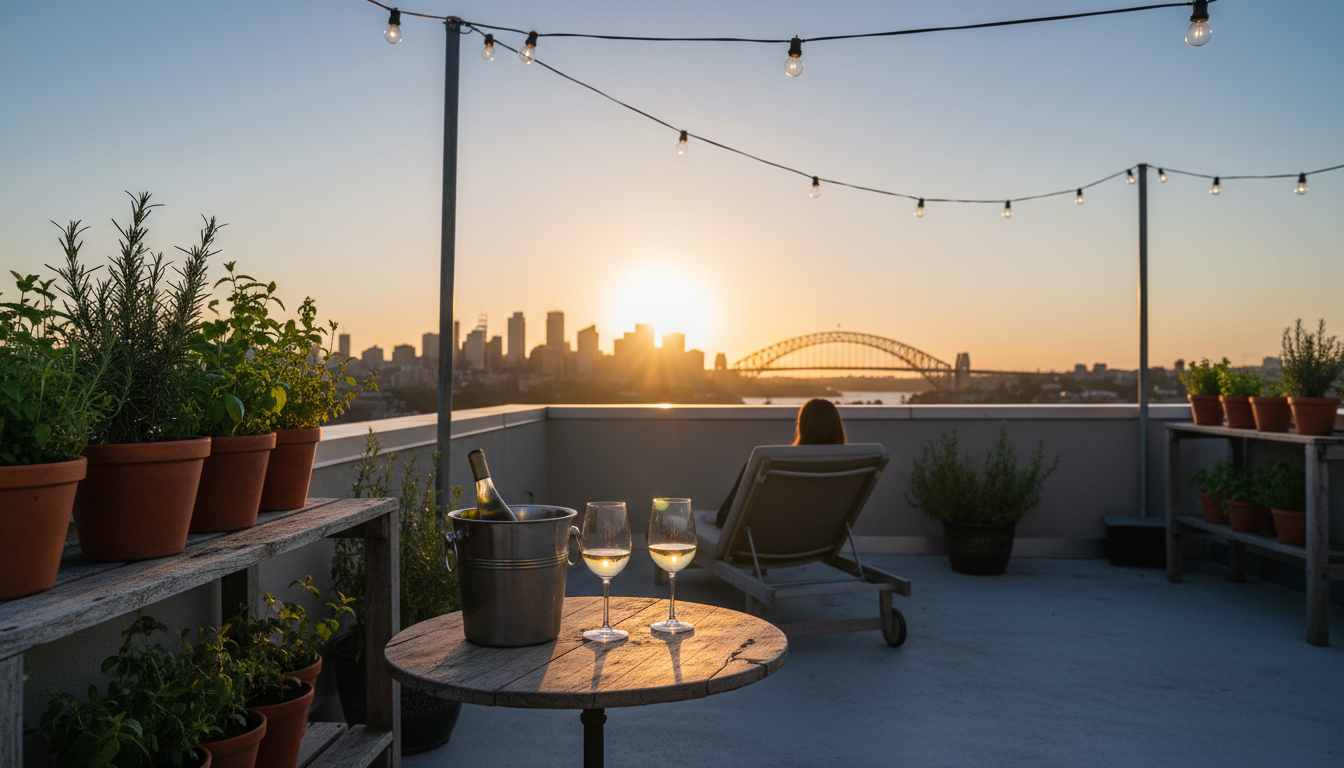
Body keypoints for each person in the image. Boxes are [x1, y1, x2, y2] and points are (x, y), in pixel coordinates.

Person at [715, 398, 848, 528]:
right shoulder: (848, 468)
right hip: (819, 542)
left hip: (764, 542)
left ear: (801, 426)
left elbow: (724, 518)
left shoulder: (766, 466)